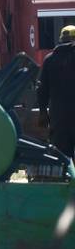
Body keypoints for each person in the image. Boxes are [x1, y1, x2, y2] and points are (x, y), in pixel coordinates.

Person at [37, 25, 75, 159]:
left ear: (60, 39)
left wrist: (42, 112)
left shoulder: (49, 59)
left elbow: (42, 88)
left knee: (61, 156)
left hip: (58, 116)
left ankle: (66, 179)